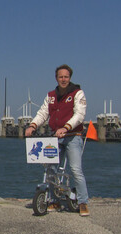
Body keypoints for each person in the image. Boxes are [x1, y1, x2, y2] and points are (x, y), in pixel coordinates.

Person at [25, 64, 90, 217]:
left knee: (75, 170)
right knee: (51, 170)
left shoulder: (77, 93)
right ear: (56, 78)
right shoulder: (51, 96)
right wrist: (32, 125)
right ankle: (54, 200)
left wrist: (66, 127)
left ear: (70, 78)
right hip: (54, 138)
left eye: (66, 77)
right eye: (60, 77)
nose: (63, 79)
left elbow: (79, 115)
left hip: (72, 136)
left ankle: (83, 202)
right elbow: (43, 113)